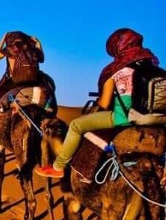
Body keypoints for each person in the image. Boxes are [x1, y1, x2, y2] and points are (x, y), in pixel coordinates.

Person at [35, 28, 159, 179]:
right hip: (158, 119)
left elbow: (105, 103)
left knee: (76, 126)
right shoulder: (154, 67)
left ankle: (58, 167)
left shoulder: (116, 70)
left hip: (124, 118)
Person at [0, 31, 45, 141]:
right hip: (34, 82)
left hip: (15, 83)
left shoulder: (11, 49)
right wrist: (38, 43)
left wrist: (2, 39)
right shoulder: (31, 49)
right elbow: (42, 59)